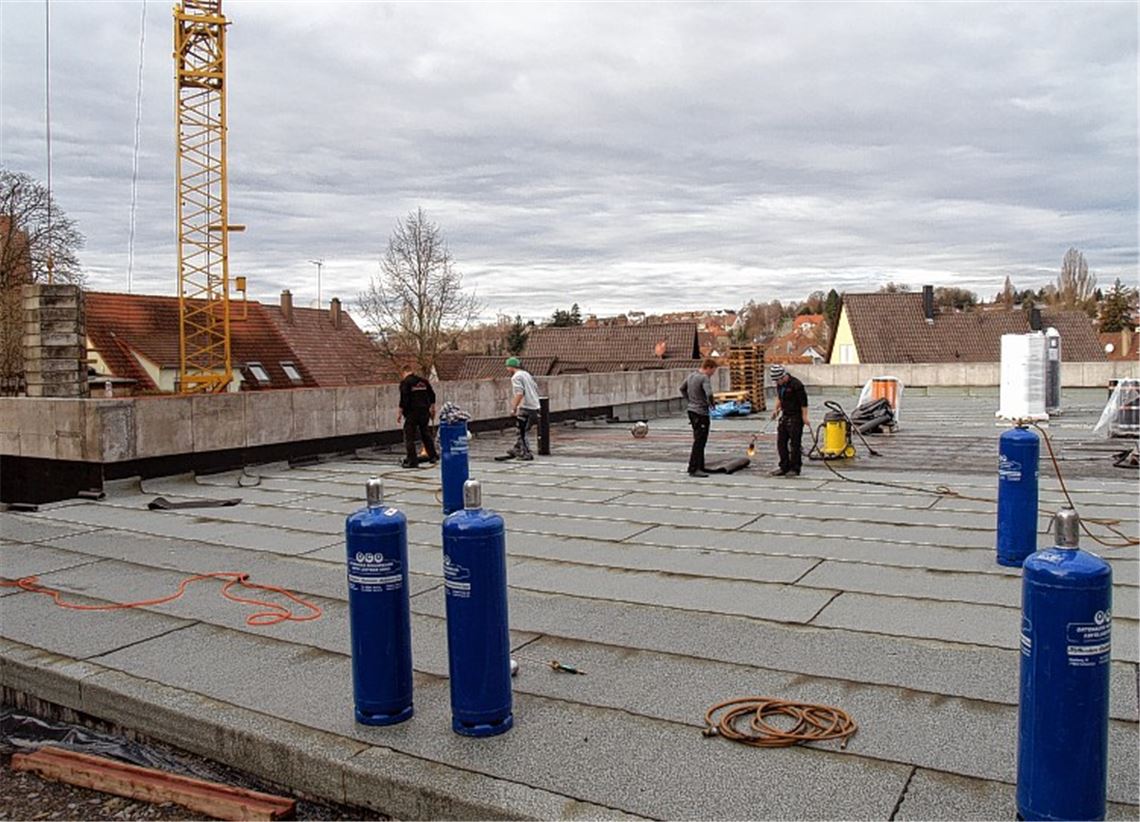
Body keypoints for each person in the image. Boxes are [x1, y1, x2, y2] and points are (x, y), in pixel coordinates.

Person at [768, 363, 809, 477]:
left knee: (795, 444)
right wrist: (775, 410)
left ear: (783, 376)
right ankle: (784, 466)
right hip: (785, 415)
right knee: (781, 442)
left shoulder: (796, 385)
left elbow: (804, 403)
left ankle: (795, 468)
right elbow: (780, 398)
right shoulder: (780, 385)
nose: (777, 383)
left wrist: (805, 417)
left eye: (777, 380)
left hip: (796, 416)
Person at [681, 358, 718, 478]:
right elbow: (709, 393)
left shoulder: (691, 376)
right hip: (701, 413)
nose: (712, 374)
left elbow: (682, 388)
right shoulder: (704, 378)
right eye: (712, 371)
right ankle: (693, 468)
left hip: (691, 411)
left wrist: (690, 400)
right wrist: (712, 404)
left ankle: (700, 466)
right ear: (708, 367)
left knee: (699, 439)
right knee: (700, 441)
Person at [397, 365, 437, 468]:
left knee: (409, 436)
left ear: (404, 372)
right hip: (424, 412)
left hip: (412, 413)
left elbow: (404, 399)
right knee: (425, 434)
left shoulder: (405, 383)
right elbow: (432, 395)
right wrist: (432, 409)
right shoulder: (423, 382)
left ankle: (412, 460)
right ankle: (433, 456)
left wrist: (400, 413)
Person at [505, 357, 541, 460]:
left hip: (526, 407)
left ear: (510, 367)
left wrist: (514, 408)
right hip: (535, 406)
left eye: (507, 366)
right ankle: (516, 449)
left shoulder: (516, 377)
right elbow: (535, 387)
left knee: (521, 431)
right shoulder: (526, 374)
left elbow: (519, 393)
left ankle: (526, 453)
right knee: (523, 429)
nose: (507, 369)